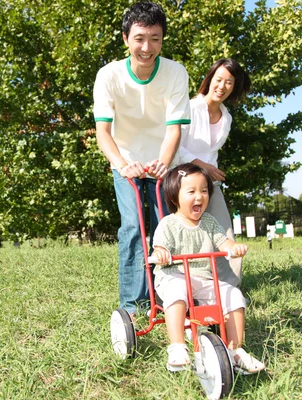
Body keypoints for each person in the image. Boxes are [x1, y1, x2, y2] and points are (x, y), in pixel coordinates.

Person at [93, 1, 191, 319]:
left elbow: (174, 128)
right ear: (126, 38)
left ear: (162, 39)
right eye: (139, 38)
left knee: (167, 227)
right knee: (134, 226)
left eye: (155, 38)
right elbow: (103, 132)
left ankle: (170, 295)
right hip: (126, 160)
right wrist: (123, 164)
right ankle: (134, 303)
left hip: (164, 161)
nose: (147, 48)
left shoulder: (176, 73)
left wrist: (164, 162)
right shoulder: (108, 76)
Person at [151, 163, 265, 374]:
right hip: (173, 275)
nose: (199, 196)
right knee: (177, 290)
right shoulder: (168, 224)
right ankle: (177, 347)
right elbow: (160, 248)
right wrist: (161, 254)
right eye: (191, 191)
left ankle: (235, 350)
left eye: (204, 190)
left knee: (233, 294)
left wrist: (234, 248)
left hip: (203, 279)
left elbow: (225, 244)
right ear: (175, 197)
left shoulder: (210, 222)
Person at [171, 58, 251, 287]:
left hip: (209, 186)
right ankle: (186, 288)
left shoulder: (226, 117)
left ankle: (229, 289)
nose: (222, 86)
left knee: (226, 236)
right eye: (219, 80)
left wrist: (210, 172)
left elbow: (211, 153)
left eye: (229, 82)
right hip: (182, 180)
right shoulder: (190, 107)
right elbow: (175, 146)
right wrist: (202, 166)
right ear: (210, 80)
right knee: (189, 237)